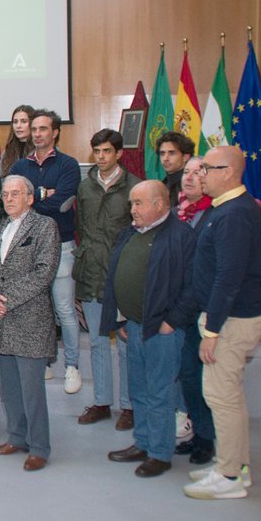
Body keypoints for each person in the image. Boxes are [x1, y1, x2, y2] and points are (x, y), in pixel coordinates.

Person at [183, 146, 261, 500]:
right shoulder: (227, 209)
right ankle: (235, 465)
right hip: (230, 317)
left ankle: (230, 476)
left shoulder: (234, 214)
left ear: (229, 172)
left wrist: (213, 330)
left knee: (221, 396)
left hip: (233, 321)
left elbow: (228, 278)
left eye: (206, 168)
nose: (200, 174)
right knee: (228, 396)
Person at [101, 180, 198, 478]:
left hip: (163, 330)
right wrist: (120, 320)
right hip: (133, 326)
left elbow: (194, 286)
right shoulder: (131, 233)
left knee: (159, 392)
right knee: (139, 390)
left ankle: (159, 452)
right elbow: (117, 276)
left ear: (159, 204)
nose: (132, 209)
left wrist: (173, 321)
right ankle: (142, 442)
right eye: (131, 203)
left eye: (138, 203)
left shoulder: (181, 236)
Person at [0, 175, 61, 472]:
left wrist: (7, 298)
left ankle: (39, 447)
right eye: (5, 194)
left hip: (30, 320)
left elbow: (44, 272)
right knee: (10, 387)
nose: (9, 199)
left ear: (30, 198)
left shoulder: (44, 226)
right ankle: (17, 437)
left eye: (16, 194)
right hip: (0, 319)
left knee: (32, 390)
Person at [8, 109, 82, 396]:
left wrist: (32, 198)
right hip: (27, 248)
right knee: (38, 310)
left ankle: (72, 366)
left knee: (64, 309)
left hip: (61, 244)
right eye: (34, 128)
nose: (37, 133)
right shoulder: (19, 167)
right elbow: (13, 203)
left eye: (43, 129)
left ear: (55, 133)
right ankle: (45, 360)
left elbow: (63, 204)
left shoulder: (68, 165)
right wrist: (42, 194)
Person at [73, 128, 140, 428]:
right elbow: (81, 229)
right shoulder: (84, 187)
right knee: (98, 343)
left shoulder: (133, 188)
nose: (100, 157)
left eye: (106, 152)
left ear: (118, 153)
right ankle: (101, 402)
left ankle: (129, 406)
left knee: (125, 343)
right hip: (90, 273)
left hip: (122, 276)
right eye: (96, 152)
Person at [174, 156, 217, 465]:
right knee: (189, 376)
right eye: (185, 172)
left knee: (207, 381)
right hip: (181, 308)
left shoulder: (215, 214)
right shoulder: (178, 213)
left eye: (197, 172)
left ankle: (209, 439)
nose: (189, 178)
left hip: (206, 310)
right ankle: (199, 433)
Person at [156, 130, 195, 206]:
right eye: (162, 153)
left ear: (185, 157)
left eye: (171, 153)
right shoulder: (160, 186)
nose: (165, 158)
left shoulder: (193, 186)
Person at [0, 105, 35, 176]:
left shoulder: (40, 150)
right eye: (15, 122)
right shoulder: (7, 151)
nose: (18, 126)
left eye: (23, 122)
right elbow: (0, 177)